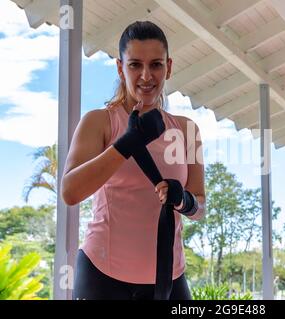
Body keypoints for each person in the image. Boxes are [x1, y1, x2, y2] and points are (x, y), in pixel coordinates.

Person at [61, 21, 206, 300]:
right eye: (135, 65)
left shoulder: (188, 131)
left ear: (169, 67)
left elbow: (199, 207)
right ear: (120, 68)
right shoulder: (99, 122)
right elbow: (70, 192)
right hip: (103, 276)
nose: (146, 75)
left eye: (156, 65)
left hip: (168, 277)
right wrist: (126, 143)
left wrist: (183, 200)